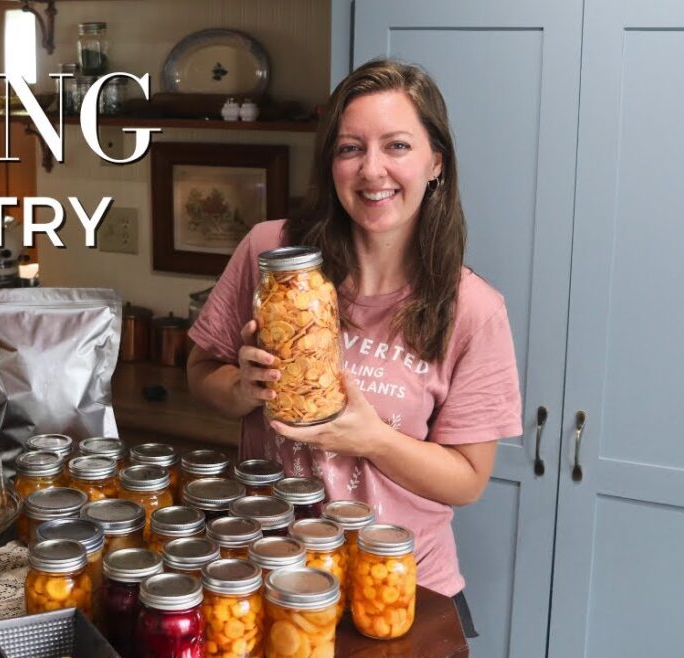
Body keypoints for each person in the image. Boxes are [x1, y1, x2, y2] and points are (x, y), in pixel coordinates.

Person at [186, 58, 522, 638]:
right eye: (350, 149)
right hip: (273, 573)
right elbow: (200, 373)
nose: (372, 171)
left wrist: (372, 439)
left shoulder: (473, 309)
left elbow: (467, 480)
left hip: (398, 587)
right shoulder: (272, 257)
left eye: (397, 145)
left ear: (435, 162)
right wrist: (242, 388)